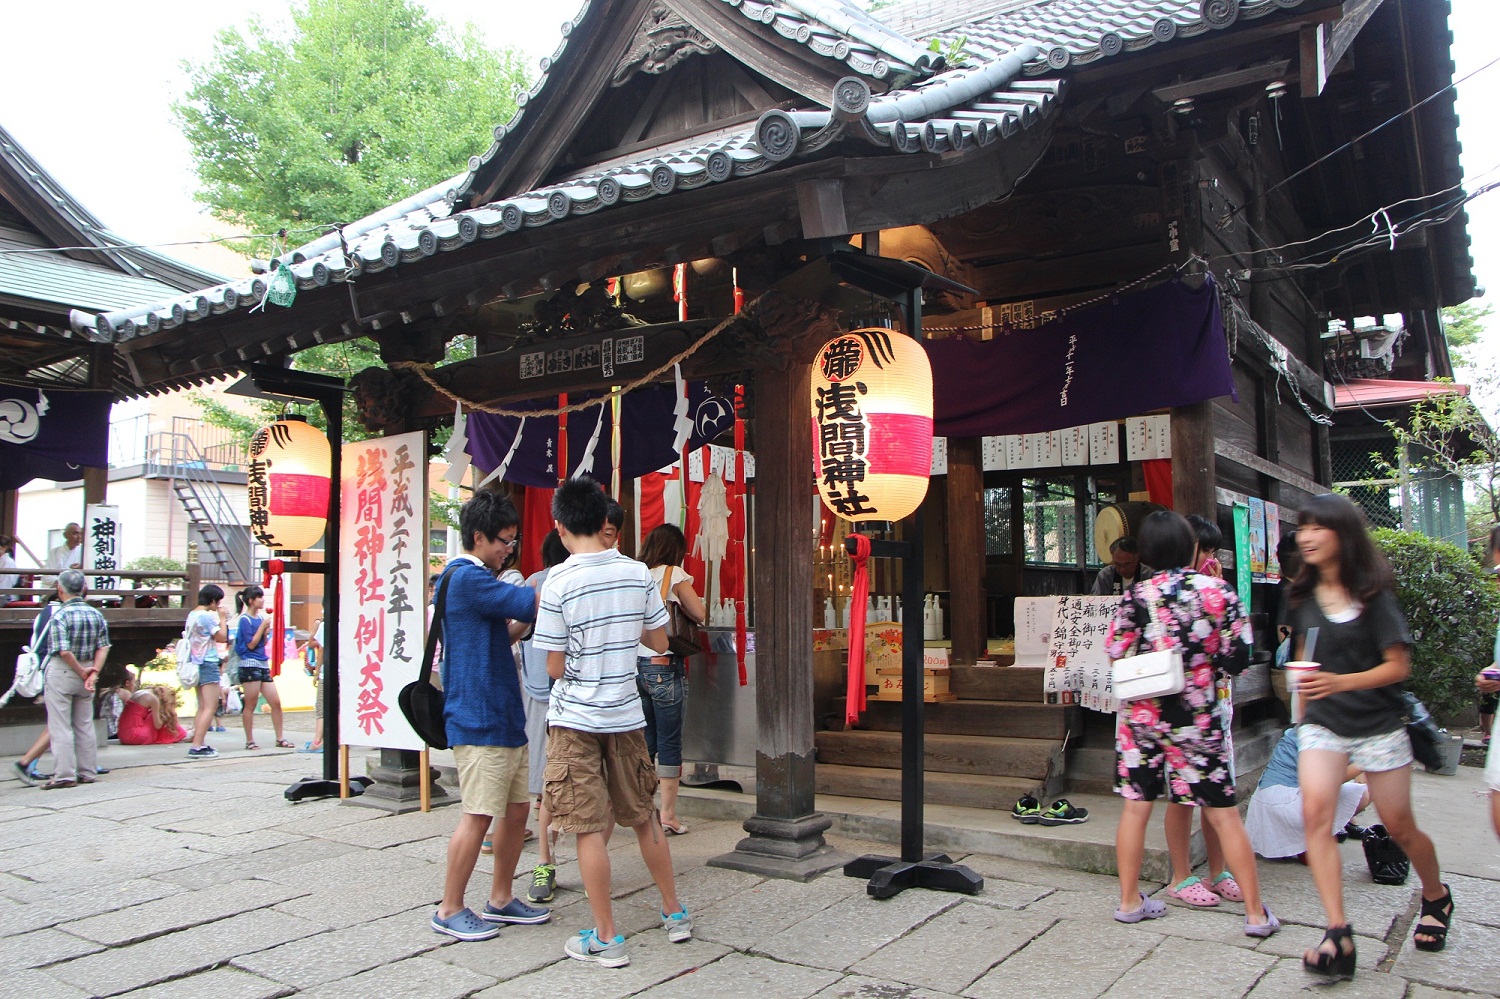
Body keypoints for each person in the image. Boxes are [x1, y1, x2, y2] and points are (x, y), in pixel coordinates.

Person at [1290, 493, 1451, 974]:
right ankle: (1337, 932)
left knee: (1399, 826)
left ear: (1344, 535)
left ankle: (1437, 896)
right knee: (1315, 815)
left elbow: (1397, 666)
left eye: (1319, 528)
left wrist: (1340, 680)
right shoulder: (1300, 596)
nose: (1308, 537)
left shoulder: (1374, 594)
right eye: (1303, 528)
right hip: (1323, 723)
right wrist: (1303, 687)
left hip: (1378, 725)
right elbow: (1304, 654)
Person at [535, 477, 690, 967]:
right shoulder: (638, 573)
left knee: (586, 828)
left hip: (575, 719)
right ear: (603, 520)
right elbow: (660, 642)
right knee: (644, 818)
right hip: (625, 716)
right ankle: (674, 913)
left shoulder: (557, 581)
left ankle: (606, 937)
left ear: (560, 526)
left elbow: (553, 667)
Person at [1104, 512, 1275, 935]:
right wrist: (1202, 657)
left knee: (1136, 807)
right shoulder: (1219, 592)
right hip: (1198, 716)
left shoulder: (1137, 595)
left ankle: (1129, 901)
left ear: (1145, 553)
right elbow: (1239, 657)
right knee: (1222, 813)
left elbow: (1115, 649)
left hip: (1142, 716)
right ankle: (1255, 914)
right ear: (1191, 547)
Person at [430, 490, 548, 943]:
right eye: (503, 541)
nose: (508, 549)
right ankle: (450, 907)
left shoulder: (471, 581)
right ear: (478, 537)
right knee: (479, 815)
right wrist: (560, 577)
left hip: (501, 714)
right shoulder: (466, 578)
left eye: (513, 541)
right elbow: (527, 604)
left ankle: (500, 897)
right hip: (478, 717)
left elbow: (510, 629)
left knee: (516, 810)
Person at [1160, 512, 1240, 909]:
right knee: (1182, 795)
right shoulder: (1159, 592)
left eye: (1211, 550)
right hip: (1178, 710)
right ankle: (1180, 875)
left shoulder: (1216, 589)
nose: (1207, 556)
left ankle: (1219, 870)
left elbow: (1234, 648)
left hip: (1216, 703)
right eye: (1202, 548)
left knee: (1217, 791)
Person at [636, 523, 707, 836]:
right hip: (664, 665)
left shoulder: (635, 573)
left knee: (645, 741)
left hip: (636, 667)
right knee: (669, 742)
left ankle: (642, 809)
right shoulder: (673, 575)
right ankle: (668, 815)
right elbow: (700, 612)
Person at [521, 529, 570, 904]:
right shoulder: (565, 581)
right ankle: (547, 862)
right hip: (564, 696)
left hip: (539, 692)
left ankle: (544, 863)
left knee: (544, 784)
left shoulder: (532, 582)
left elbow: (520, 634)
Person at [1245, 727, 1369, 860]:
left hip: (1273, 802)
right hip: (1286, 803)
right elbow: (1328, 781)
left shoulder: (1317, 725)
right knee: (1364, 792)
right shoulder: (1319, 733)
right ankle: (1313, 836)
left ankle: (1324, 831)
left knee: (1363, 790)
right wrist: (1365, 763)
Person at [39, 569, 110, 789]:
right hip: (89, 669)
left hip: (63, 671)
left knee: (60, 725)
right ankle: (88, 771)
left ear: (60, 589)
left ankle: (65, 774)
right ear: (83, 589)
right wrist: (93, 672)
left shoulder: (60, 615)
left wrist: (80, 670)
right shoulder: (96, 614)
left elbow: (64, 651)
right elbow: (104, 645)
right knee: (84, 723)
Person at [233, 586, 293, 750]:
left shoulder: (259, 619)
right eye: (259, 597)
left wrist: (265, 631)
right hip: (249, 664)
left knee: (276, 702)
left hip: (262, 663)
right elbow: (251, 644)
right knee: (250, 704)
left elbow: (262, 642)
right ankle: (249, 740)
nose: (262, 600)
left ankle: (280, 737)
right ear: (251, 601)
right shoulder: (245, 620)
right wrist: (261, 629)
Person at [185, 584, 229, 758]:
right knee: (210, 706)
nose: (217, 606)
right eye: (217, 601)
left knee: (202, 706)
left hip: (195, 662)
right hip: (208, 662)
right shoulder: (205, 616)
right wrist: (223, 619)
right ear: (211, 600)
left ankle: (200, 742)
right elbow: (222, 637)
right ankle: (196, 745)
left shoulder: (192, 615)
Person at [105, 668, 187, 745]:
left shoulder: (139, 692)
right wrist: (166, 717)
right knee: (160, 714)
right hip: (136, 736)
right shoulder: (154, 700)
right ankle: (180, 734)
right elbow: (157, 725)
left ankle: (180, 732)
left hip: (123, 736)